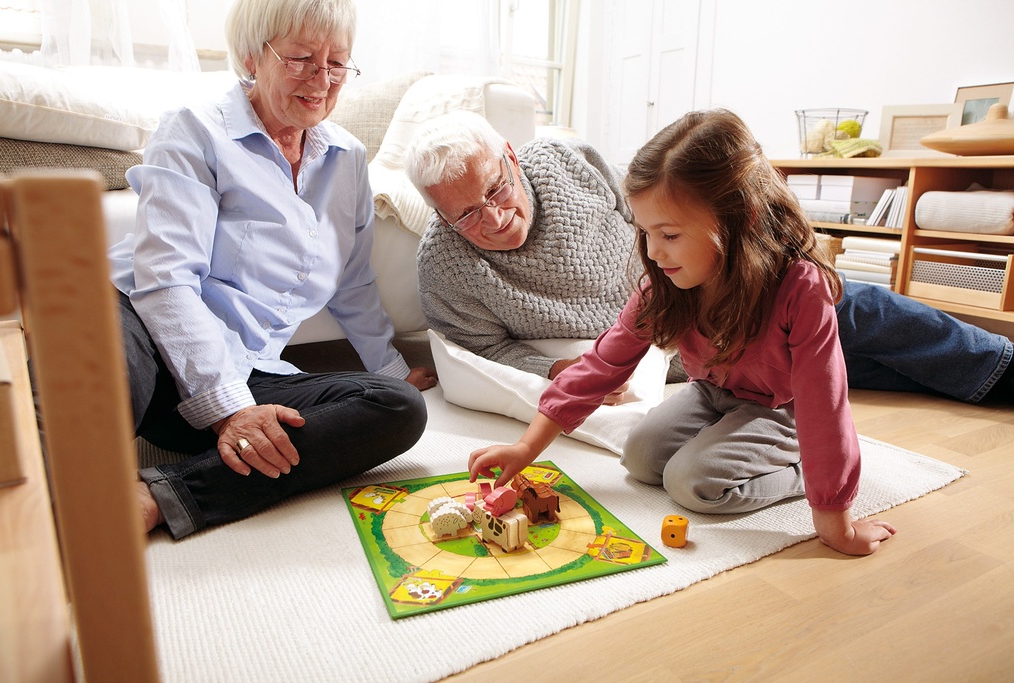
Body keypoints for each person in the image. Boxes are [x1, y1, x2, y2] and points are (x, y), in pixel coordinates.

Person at [468, 109, 898, 556]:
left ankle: (805, 472)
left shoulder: (800, 287)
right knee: (638, 457)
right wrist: (525, 448)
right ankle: (737, 445)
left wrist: (836, 521)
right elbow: (603, 364)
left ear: (739, 219)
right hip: (710, 392)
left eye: (669, 234)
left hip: (782, 408)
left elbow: (823, 404)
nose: (653, 252)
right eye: (646, 233)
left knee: (692, 484)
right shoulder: (668, 284)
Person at [405, 110, 1013, 405]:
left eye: (495, 190)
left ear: (511, 156)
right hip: (659, 344)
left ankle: (998, 366)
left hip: (704, 286)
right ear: (438, 214)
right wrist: (553, 373)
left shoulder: (567, 160)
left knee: (855, 309)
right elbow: (480, 350)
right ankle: (959, 381)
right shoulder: (445, 268)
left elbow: (661, 205)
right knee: (826, 370)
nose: (492, 218)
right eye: (464, 215)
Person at [107, 0, 436, 540]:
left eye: (337, 63)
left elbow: (352, 281)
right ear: (250, 58)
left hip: (245, 363)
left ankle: (162, 498)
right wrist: (230, 410)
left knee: (398, 409)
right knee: (101, 378)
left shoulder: (347, 158)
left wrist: (393, 369)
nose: (321, 79)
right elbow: (165, 279)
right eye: (302, 57)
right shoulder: (193, 131)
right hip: (147, 326)